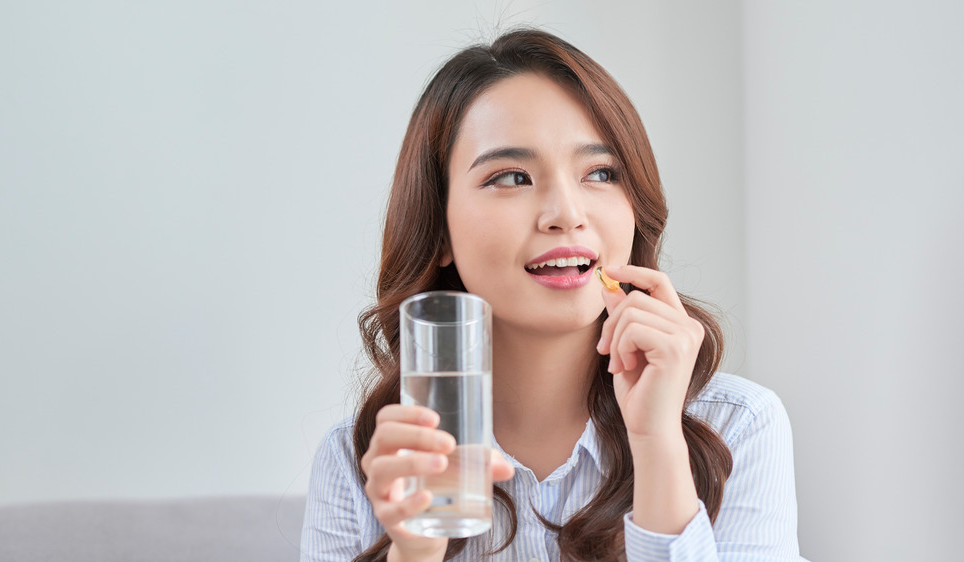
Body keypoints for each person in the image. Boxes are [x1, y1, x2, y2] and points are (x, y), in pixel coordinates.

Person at [301, 27, 805, 561]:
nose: (566, 213)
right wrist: (414, 551)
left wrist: (659, 447)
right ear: (440, 229)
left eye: (601, 173)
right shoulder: (359, 461)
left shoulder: (736, 426)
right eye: (512, 177)